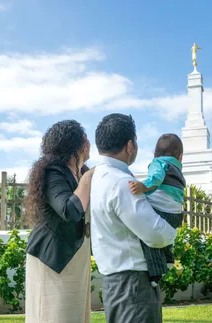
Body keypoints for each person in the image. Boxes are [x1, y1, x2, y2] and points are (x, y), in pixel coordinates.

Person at [90, 113, 177, 323]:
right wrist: (173, 229)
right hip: (134, 285)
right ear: (130, 146)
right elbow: (156, 234)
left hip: (115, 283)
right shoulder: (121, 182)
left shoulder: (98, 178)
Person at [25, 120, 94, 323]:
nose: (90, 144)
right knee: (55, 316)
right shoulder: (53, 172)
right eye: (86, 139)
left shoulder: (80, 172)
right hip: (53, 259)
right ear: (77, 145)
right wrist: (88, 178)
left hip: (75, 258)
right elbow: (69, 210)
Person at [128, 133, 186, 288]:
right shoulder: (177, 170)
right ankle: (168, 258)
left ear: (154, 155)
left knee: (146, 237)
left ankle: (156, 273)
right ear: (180, 157)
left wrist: (143, 187)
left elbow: (156, 177)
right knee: (163, 233)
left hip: (161, 210)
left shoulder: (158, 163)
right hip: (175, 215)